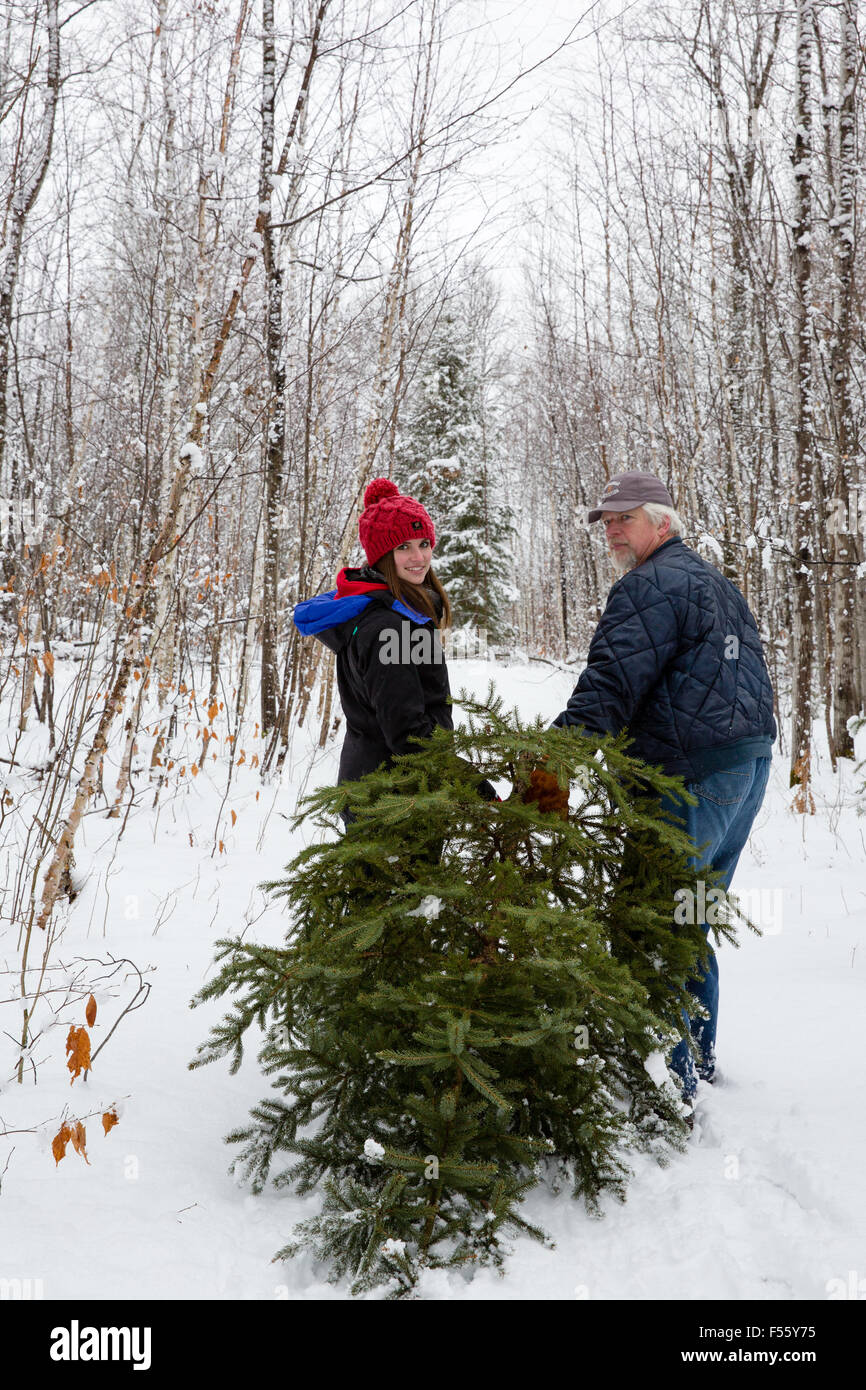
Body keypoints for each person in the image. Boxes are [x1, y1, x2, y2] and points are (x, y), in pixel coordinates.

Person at [551, 471, 776, 1104]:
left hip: (693, 780)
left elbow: (609, 684)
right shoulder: (715, 583)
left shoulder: (650, 586)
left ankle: (663, 1088)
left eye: (626, 520)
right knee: (689, 919)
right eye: (608, 522)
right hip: (745, 772)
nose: (614, 532)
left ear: (664, 523)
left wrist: (551, 758)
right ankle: (696, 1063)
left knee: (650, 927)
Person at [293, 477, 494, 822]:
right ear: (382, 555)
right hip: (393, 803)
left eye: (424, 543)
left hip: (389, 793)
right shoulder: (390, 628)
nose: (418, 557)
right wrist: (475, 787)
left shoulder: (399, 613)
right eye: (403, 547)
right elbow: (408, 736)